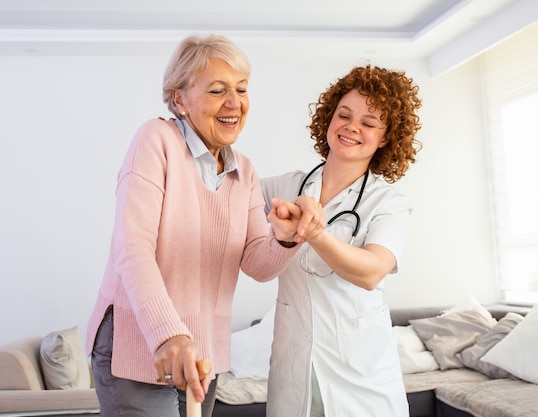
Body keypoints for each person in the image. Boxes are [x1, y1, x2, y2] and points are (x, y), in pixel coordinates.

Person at [85, 34, 305, 417]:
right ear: (179, 99)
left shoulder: (246, 170)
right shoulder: (157, 140)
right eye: (218, 90)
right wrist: (170, 334)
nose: (235, 103)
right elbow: (132, 248)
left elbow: (256, 262)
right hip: (142, 341)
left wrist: (285, 240)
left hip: (204, 351)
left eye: (241, 88)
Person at [262, 65, 423, 417]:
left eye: (369, 123)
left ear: (385, 138)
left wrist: (314, 233)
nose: (352, 127)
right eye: (344, 114)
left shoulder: (388, 203)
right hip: (295, 370)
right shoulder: (283, 187)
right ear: (328, 118)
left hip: (362, 379)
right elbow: (224, 198)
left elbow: (371, 272)